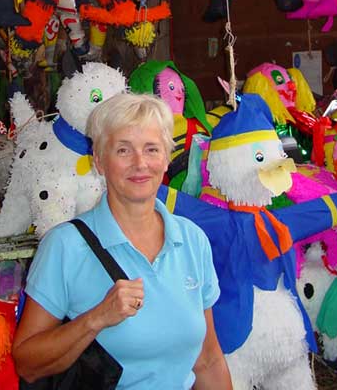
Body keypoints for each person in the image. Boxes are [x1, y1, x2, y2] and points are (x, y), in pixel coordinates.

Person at [13, 92, 232, 389]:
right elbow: (27, 363)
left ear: (167, 158)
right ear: (99, 162)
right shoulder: (64, 245)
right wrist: (96, 318)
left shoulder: (192, 240)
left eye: (152, 149)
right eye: (123, 151)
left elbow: (208, 361)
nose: (140, 163)